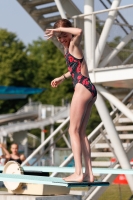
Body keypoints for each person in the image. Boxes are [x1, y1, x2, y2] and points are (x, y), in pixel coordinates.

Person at [45, 19, 97, 183]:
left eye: (63, 35)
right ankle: (89, 174)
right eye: (59, 37)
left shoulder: (74, 44)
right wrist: (62, 77)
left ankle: (78, 173)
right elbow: (75, 69)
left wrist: (61, 29)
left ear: (69, 32)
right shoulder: (69, 50)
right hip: (89, 88)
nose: (61, 39)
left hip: (82, 88)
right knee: (81, 133)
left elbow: (80, 32)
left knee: (72, 131)